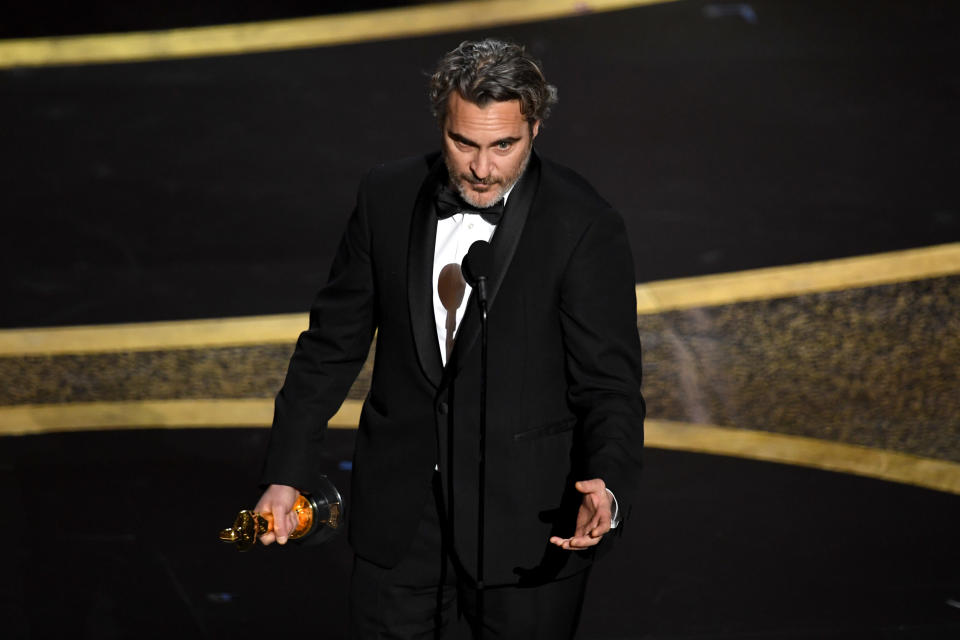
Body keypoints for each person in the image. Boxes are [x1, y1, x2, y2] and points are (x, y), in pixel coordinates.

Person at [255, 39, 645, 639]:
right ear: (442, 122)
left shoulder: (584, 224)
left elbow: (610, 385)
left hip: (528, 526)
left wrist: (609, 484)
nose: (482, 169)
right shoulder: (385, 196)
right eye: (464, 143)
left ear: (535, 127)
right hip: (401, 521)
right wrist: (287, 471)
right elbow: (330, 346)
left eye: (503, 145)